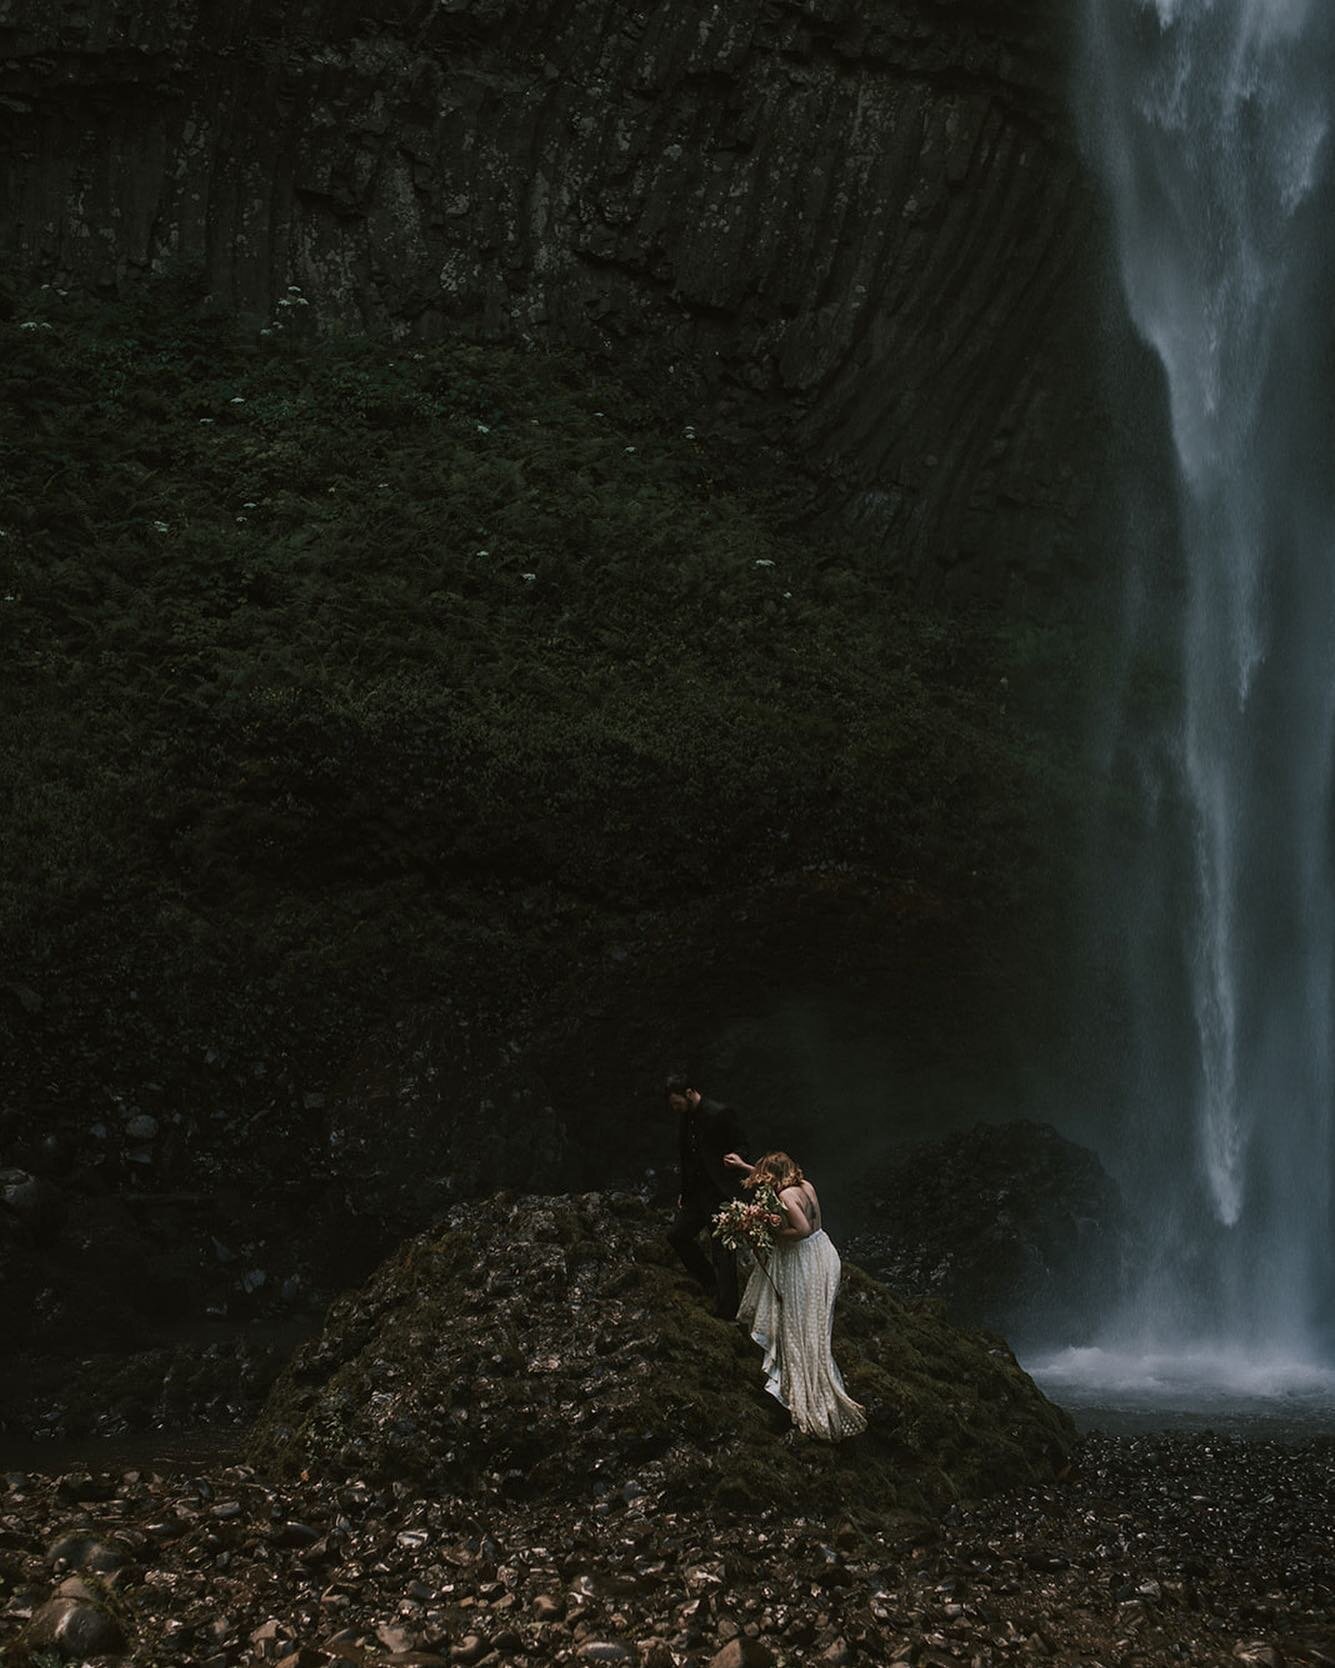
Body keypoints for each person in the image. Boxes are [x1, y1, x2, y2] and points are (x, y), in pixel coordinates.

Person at [724, 1148, 867, 1442]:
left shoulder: (787, 1197)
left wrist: (769, 1231)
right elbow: (772, 1180)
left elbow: (801, 1229)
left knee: (800, 1328)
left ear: (776, 1177)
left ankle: (810, 1395)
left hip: (804, 1259)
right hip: (823, 1253)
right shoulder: (805, 1185)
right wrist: (742, 1166)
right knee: (812, 1327)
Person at [665, 1072, 749, 1318]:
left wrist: (737, 1159)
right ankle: (709, 1282)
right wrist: (684, 1190)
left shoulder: (720, 1113)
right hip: (696, 1194)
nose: (675, 1108)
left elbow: (742, 1143)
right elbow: (686, 1157)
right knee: (677, 1235)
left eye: (677, 1103)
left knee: (722, 1249)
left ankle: (727, 1309)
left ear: (690, 1093)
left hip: (719, 1191)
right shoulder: (686, 1116)